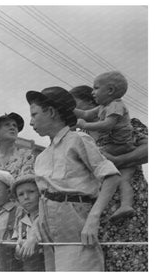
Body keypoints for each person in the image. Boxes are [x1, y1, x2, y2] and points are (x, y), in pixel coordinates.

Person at [23, 86, 122, 271]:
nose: (30, 122)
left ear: (51, 112)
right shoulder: (42, 157)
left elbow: (112, 177)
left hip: (76, 232)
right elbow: (44, 201)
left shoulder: (78, 140)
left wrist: (93, 218)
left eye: (34, 115)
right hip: (49, 238)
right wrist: (34, 234)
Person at [71, 87, 148, 271]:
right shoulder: (79, 136)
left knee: (132, 255)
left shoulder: (124, 124)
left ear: (92, 104)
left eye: (74, 105)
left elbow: (149, 148)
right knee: (100, 260)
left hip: (129, 201)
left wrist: (119, 161)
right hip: (96, 207)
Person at [74, 71, 135, 222]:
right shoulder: (103, 106)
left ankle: (126, 204)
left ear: (110, 91)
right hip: (118, 146)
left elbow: (107, 125)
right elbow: (85, 114)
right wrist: (67, 108)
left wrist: (85, 125)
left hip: (120, 144)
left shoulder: (115, 105)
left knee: (95, 153)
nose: (93, 92)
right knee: (123, 179)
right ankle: (126, 205)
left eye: (95, 88)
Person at [0, 112, 35, 183]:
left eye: (15, 125)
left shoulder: (26, 156)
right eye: (7, 125)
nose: (12, 127)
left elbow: (25, 184)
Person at [12, 174, 45, 271]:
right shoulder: (20, 219)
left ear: (40, 193)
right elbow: (17, 250)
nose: (26, 197)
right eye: (21, 194)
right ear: (17, 199)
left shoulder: (47, 215)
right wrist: (20, 248)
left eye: (31, 192)